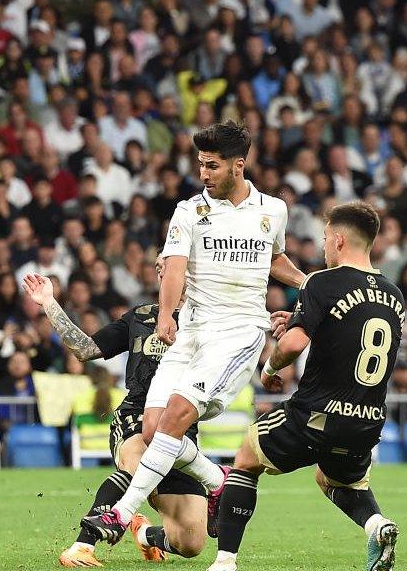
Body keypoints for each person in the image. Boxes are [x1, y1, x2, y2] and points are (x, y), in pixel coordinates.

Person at [80, 121, 304, 545]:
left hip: (238, 333)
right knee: (150, 430)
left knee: (177, 416)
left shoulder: (273, 210)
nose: (203, 174)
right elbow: (175, 263)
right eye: (201, 165)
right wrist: (166, 314)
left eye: (212, 166)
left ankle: (120, 512)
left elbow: (273, 258)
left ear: (239, 166)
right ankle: (215, 479)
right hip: (192, 333)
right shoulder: (189, 211)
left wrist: (309, 285)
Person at [209, 202, 404, 571]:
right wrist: (303, 319)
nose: (324, 245)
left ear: (340, 240)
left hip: (316, 412)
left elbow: (294, 345)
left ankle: (225, 561)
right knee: (337, 480)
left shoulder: (321, 282)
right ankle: (376, 525)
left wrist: (270, 366)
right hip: (366, 420)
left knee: (246, 460)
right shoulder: (394, 294)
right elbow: (348, 334)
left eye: (326, 237)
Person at [23, 260, 207, 566]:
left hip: (181, 429)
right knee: (139, 463)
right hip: (137, 416)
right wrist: (50, 303)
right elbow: (85, 349)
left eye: (172, 263)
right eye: (160, 265)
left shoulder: (209, 323)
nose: (163, 268)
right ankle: (83, 545)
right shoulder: (140, 317)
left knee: (190, 543)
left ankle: (144, 534)